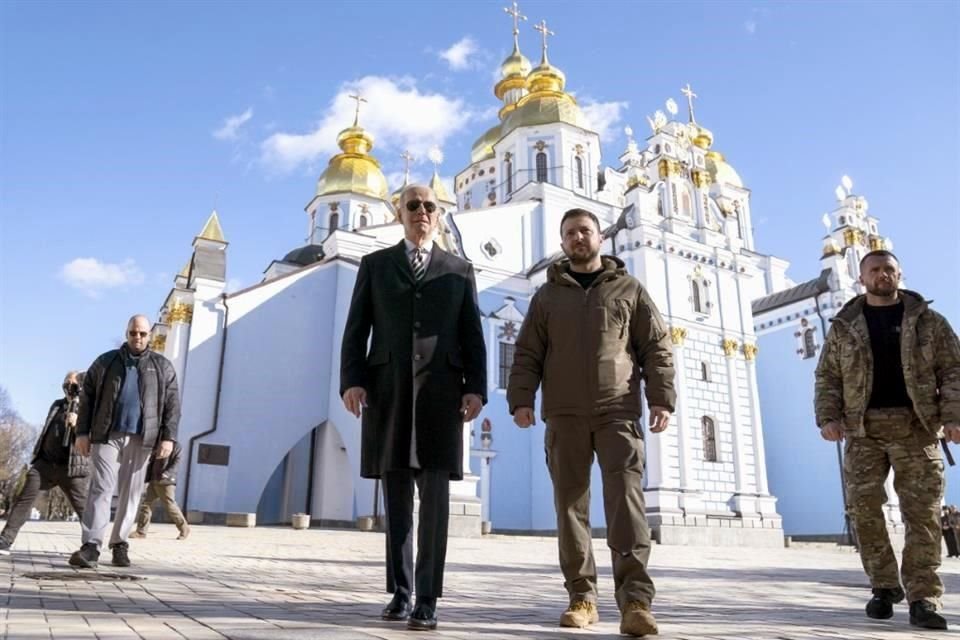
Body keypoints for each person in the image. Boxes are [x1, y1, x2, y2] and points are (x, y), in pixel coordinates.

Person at [507, 208, 676, 637]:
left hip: (618, 411)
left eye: (585, 231)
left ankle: (636, 602)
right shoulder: (546, 297)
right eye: (570, 233)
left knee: (627, 507)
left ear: (600, 238)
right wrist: (521, 400)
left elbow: (655, 347)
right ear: (563, 243)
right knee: (570, 509)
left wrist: (661, 398)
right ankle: (581, 597)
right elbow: (527, 352)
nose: (578, 238)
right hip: (564, 414)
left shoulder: (629, 289)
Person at [340, 184, 487, 631]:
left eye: (429, 207)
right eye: (413, 206)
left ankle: (427, 597)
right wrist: (352, 382)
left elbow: (472, 334)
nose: (421, 212)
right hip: (388, 393)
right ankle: (400, 592)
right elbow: (356, 329)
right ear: (398, 212)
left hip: (441, 396)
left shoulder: (458, 270)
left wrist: (476, 388)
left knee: (436, 503)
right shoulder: (376, 265)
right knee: (397, 500)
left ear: (438, 215)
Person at [815, 250, 960, 630]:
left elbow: (954, 370)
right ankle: (883, 587)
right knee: (864, 511)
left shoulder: (929, 322)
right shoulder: (844, 326)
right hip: (864, 432)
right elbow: (827, 376)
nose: (883, 275)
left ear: (900, 274)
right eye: (875, 270)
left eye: (889, 269)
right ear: (862, 278)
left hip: (918, 429)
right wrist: (828, 418)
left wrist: (954, 418)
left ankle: (923, 597)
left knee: (923, 516)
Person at [69, 314, 181, 569]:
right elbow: (87, 398)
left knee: (131, 493)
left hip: (143, 437)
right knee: (101, 488)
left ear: (149, 334)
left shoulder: (162, 367)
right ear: (126, 333)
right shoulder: (106, 362)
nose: (137, 337)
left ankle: (119, 544)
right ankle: (91, 546)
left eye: (142, 333)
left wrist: (168, 437)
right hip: (107, 435)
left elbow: (172, 406)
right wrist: (82, 432)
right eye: (133, 333)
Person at [0, 371, 89, 555]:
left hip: (72, 468)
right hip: (45, 464)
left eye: (73, 384)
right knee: (23, 500)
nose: (69, 387)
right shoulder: (57, 405)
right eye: (66, 383)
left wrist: (77, 422)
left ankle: (91, 546)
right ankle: (5, 540)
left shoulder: (89, 408)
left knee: (84, 508)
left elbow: (92, 437)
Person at [130, 441, 190, 540]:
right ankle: (141, 532)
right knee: (146, 505)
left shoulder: (176, 446)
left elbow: (177, 461)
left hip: (166, 481)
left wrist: (167, 473)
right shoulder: (157, 444)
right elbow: (152, 460)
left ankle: (184, 528)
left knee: (170, 505)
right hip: (154, 479)